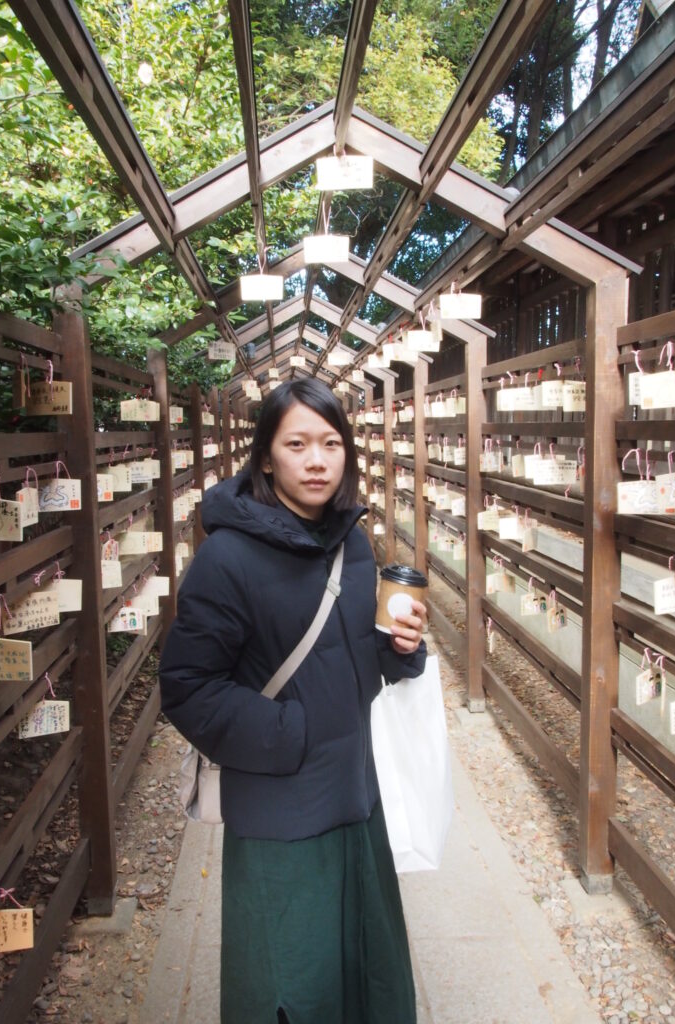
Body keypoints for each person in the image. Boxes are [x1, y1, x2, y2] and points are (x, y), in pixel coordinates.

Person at [159, 377, 427, 1024]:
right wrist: (292, 732)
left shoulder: (352, 543)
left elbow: (354, 659)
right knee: (290, 985)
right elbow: (188, 689)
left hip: (357, 798)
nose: (316, 460)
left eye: (331, 443)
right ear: (265, 457)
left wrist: (400, 649)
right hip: (282, 812)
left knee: (365, 978)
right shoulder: (227, 559)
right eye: (298, 443)